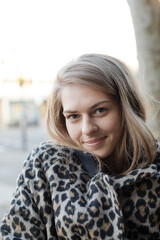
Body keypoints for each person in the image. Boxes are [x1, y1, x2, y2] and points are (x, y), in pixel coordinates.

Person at [0, 53, 160, 240]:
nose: (87, 129)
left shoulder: (154, 165)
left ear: (127, 107)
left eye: (100, 110)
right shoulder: (45, 165)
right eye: (74, 116)